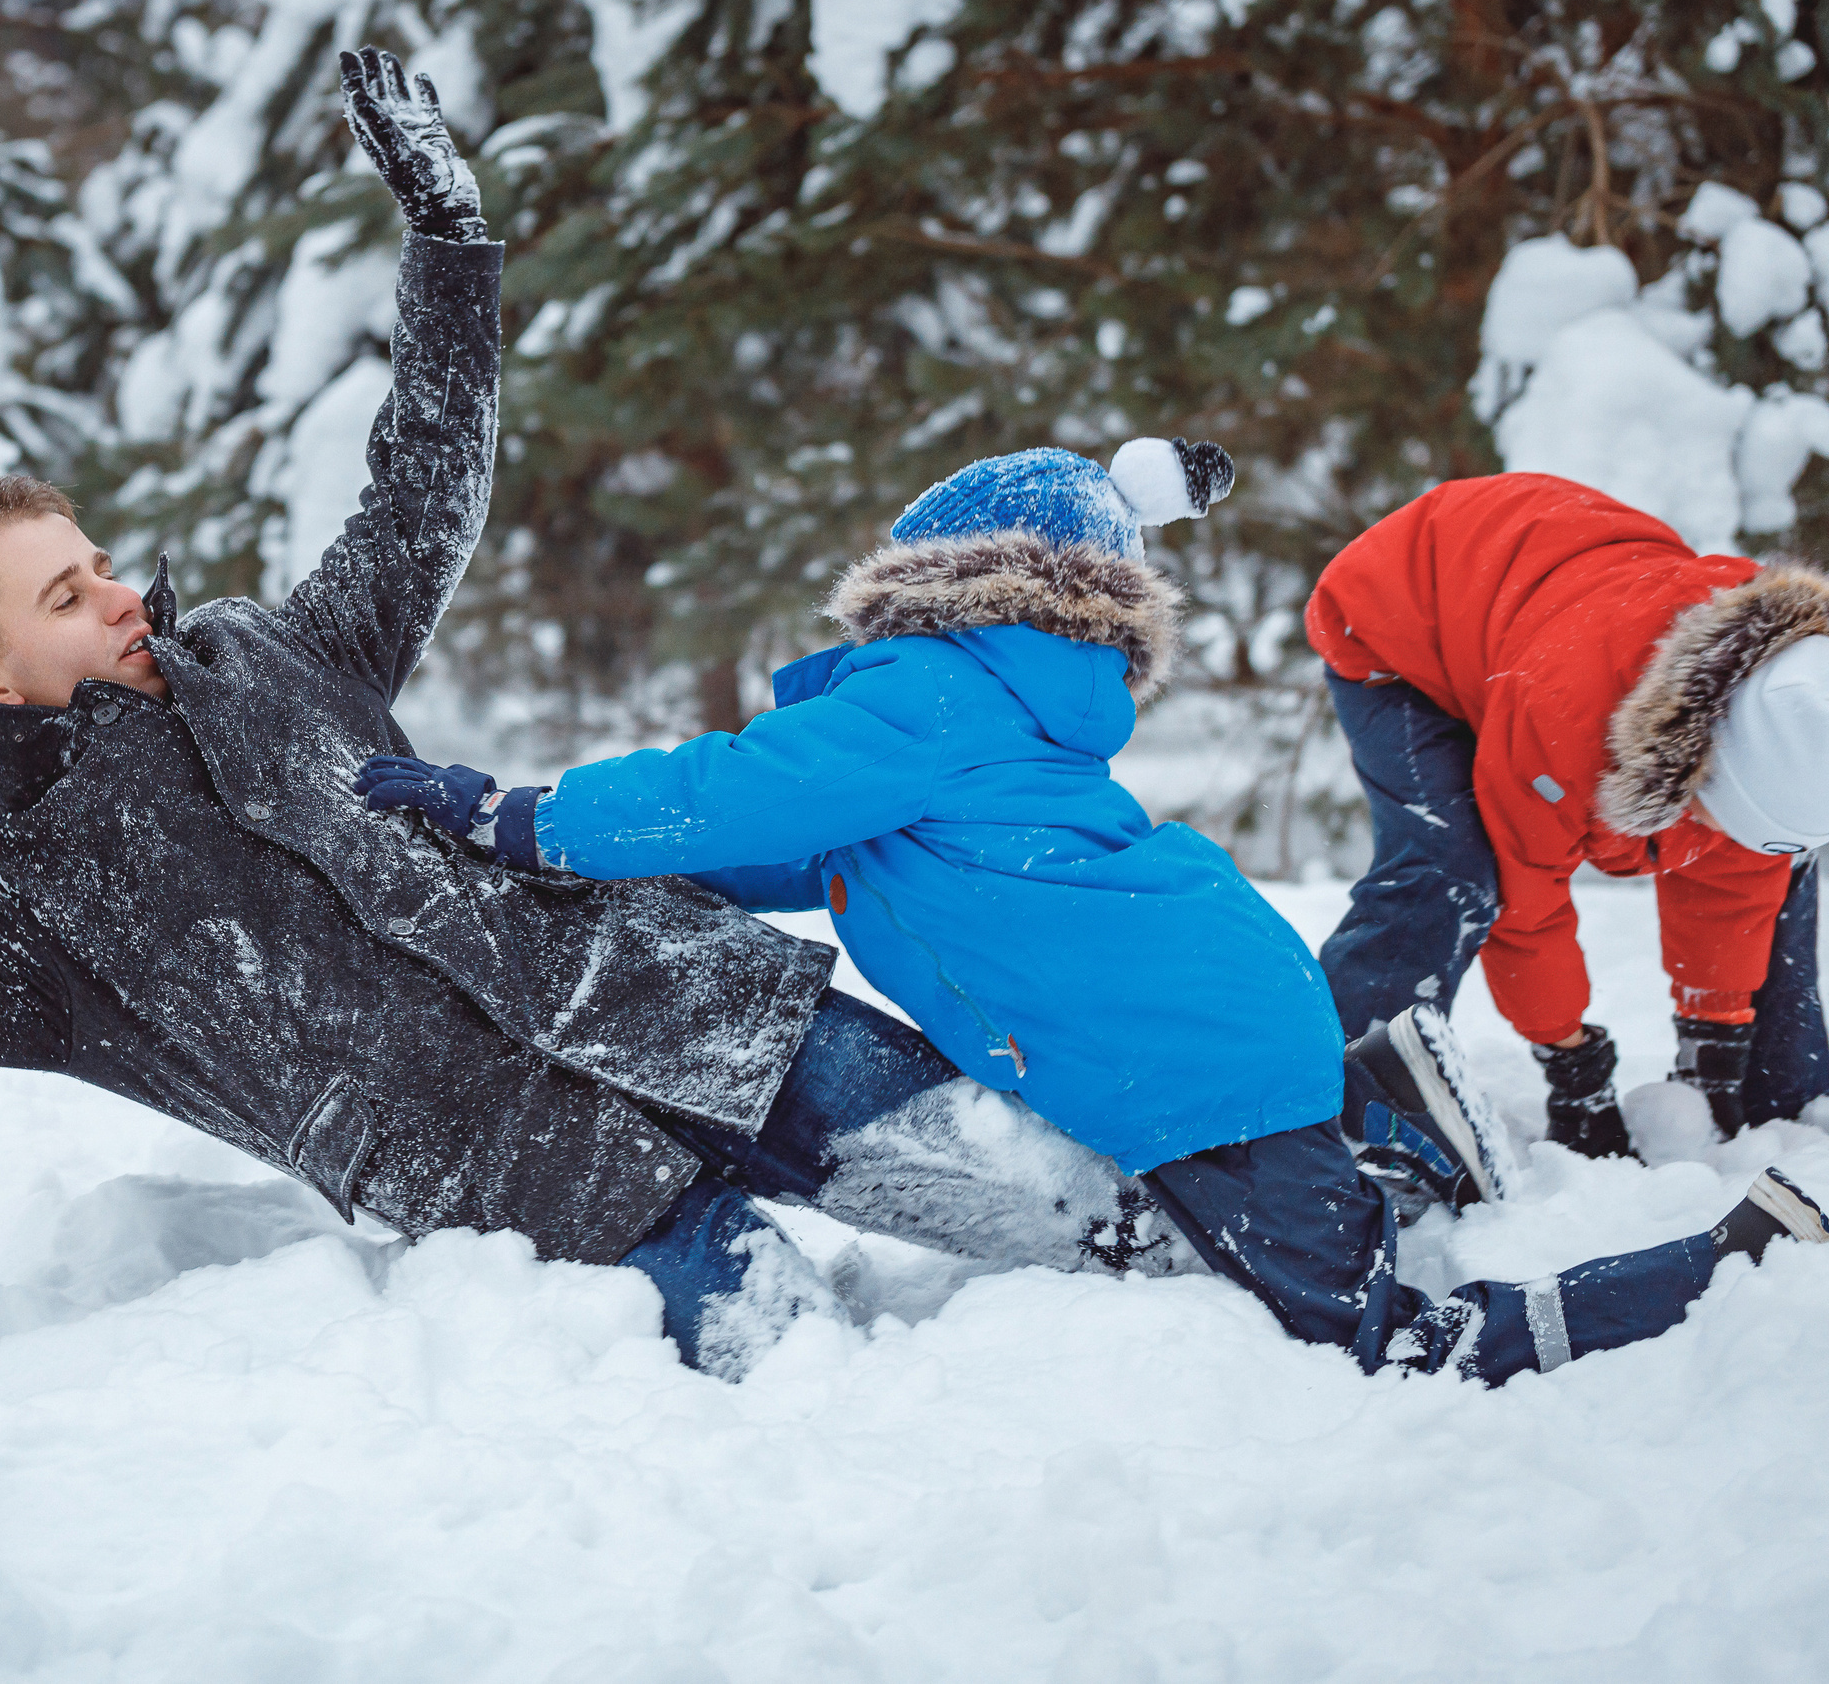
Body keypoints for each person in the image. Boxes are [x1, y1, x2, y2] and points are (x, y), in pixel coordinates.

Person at [0, 50, 1203, 1382]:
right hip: (541, 1183)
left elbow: (423, 501)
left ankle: (1373, 1255)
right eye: (67, 598)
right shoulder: (24, 909)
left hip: (690, 999)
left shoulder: (271, 654)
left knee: (1101, 1213)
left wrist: (450, 244)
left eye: (99, 564)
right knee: (825, 1390)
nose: (121, 596)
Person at [360, 443, 1829, 1385]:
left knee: (1382, 1340)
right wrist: (603, 868)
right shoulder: (995, 720)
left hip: (1195, 1073)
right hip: (1222, 1023)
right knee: (1307, 1225)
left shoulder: (923, 697)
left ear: (930, 587)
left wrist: (525, 817)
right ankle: (1385, 1114)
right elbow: (789, 852)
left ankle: (1695, 1273)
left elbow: (732, 788)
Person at [1305, 473, 1829, 1157]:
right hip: (1400, 619)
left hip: (1539, 607)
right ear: (1695, 765)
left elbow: (1733, 874)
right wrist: (1572, 1063)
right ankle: (1335, 1104)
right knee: (1454, 869)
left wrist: (1718, 1033)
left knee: (1783, 874)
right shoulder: (1569, 722)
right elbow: (1530, 900)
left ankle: (1784, 1108)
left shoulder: (1789, 701)